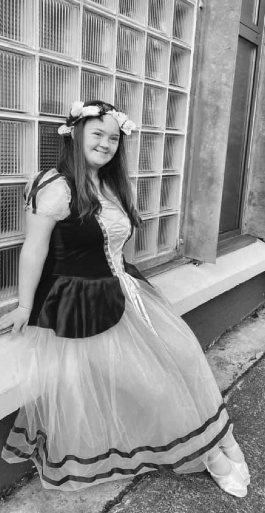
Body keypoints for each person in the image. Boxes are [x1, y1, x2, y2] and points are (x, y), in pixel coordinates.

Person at [0, 100, 250, 496]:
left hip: (126, 293)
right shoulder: (55, 186)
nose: (106, 144)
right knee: (153, 384)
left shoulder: (111, 184)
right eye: (97, 134)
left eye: (113, 138)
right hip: (82, 306)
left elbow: (114, 247)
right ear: (76, 134)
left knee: (183, 359)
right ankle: (209, 455)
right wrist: (26, 306)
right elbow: (34, 250)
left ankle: (222, 437)